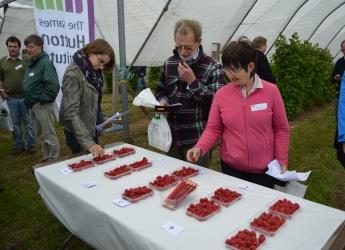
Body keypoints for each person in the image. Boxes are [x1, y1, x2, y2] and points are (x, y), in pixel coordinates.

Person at [186, 39, 290, 188]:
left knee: (261, 209)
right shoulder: (221, 95)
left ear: (251, 66)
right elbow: (213, 128)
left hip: (265, 170)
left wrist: (281, 160)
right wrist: (199, 147)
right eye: (226, 69)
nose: (230, 75)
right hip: (231, 168)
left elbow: (281, 128)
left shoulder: (271, 91)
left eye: (235, 69)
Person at [155, 19, 224, 167]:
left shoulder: (212, 66)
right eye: (178, 46)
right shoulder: (169, 63)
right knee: (171, 179)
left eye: (188, 47)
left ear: (199, 42)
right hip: (171, 136)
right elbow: (161, 90)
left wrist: (193, 81)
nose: (183, 52)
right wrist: (162, 102)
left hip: (196, 139)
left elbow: (216, 102)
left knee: (196, 182)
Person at [59, 39, 115, 158]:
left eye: (104, 64)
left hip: (91, 128)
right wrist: (89, 143)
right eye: (100, 61)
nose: (101, 67)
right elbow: (71, 113)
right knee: (82, 166)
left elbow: (93, 104)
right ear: (91, 52)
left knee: (94, 164)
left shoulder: (94, 74)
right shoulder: (73, 74)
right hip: (77, 133)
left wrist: (103, 119)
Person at [22, 34, 60, 162]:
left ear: (40, 46)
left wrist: (43, 99)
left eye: (31, 46)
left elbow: (53, 84)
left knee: (48, 133)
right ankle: (46, 156)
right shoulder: (32, 63)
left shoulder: (45, 63)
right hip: (32, 105)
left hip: (41, 105)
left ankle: (53, 158)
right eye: (27, 46)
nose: (28, 49)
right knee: (40, 133)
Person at [0, 36, 36, 155]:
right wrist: (2, 91)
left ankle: (31, 144)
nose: (12, 49)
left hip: (26, 97)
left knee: (29, 122)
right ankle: (18, 145)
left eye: (15, 46)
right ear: (7, 47)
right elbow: (1, 78)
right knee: (15, 123)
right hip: (10, 98)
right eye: (10, 46)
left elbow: (33, 75)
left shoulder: (27, 59)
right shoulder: (3, 61)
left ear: (19, 47)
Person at [331, 40, 345, 148]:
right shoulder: (339, 62)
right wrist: (335, 78)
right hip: (339, 96)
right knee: (339, 119)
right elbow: (332, 78)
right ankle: (339, 142)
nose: (344, 50)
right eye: (343, 48)